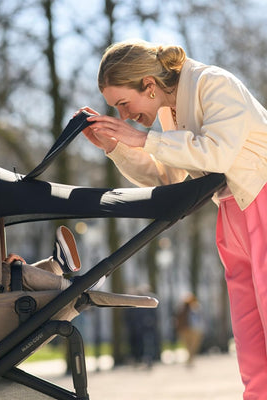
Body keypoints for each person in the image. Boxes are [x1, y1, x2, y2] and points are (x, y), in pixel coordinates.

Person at [78, 38, 267, 398]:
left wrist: (143, 139)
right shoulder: (170, 109)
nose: (124, 116)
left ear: (148, 85)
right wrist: (115, 146)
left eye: (123, 104)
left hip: (261, 200)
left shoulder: (214, 84)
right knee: (251, 345)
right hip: (232, 214)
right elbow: (167, 177)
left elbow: (217, 154)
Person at [175, 294, 205, 367]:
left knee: (189, 347)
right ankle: (190, 361)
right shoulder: (196, 307)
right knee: (192, 347)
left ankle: (190, 361)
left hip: (186, 329)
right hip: (194, 330)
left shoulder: (181, 308)